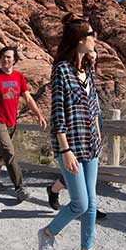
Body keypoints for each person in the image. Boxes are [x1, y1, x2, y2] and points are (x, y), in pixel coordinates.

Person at [38, 14, 102, 250]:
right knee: (80, 203)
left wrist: (97, 131)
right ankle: (47, 234)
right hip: (71, 146)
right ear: (79, 40)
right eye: (91, 35)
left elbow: (93, 103)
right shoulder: (61, 71)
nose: (94, 39)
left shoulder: (88, 69)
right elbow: (58, 112)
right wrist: (64, 150)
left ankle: (86, 249)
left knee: (92, 202)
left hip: (91, 144)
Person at [0, 45, 47, 202]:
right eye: (3, 57)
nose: (5, 60)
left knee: (2, 151)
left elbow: (28, 98)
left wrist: (39, 115)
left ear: (14, 60)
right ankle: (20, 186)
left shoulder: (19, 77)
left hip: (11, 121)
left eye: (8, 57)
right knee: (9, 151)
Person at [46, 50, 107, 221]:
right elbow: (59, 109)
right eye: (91, 56)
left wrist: (97, 126)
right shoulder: (67, 71)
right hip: (76, 125)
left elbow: (94, 101)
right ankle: (54, 190)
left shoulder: (90, 72)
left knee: (86, 176)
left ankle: (91, 207)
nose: (94, 58)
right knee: (75, 173)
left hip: (92, 121)